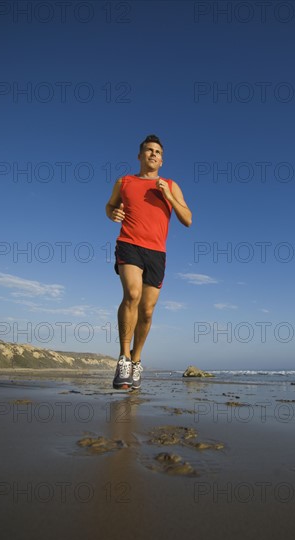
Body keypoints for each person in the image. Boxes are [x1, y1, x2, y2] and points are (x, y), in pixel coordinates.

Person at [105, 135, 192, 389]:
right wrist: (113, 213)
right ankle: (123, 357)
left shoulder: (171, 185)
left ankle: (136, 359)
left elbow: (187, 219)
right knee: (131, 294)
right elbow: (110, 206)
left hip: (157, 252)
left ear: (162, 160)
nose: (153, 154)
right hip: (129, 244)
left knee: (147, 311)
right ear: (140, 155)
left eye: (157, 152)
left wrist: (169, 196)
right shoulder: (124, 181)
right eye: (149, 150)